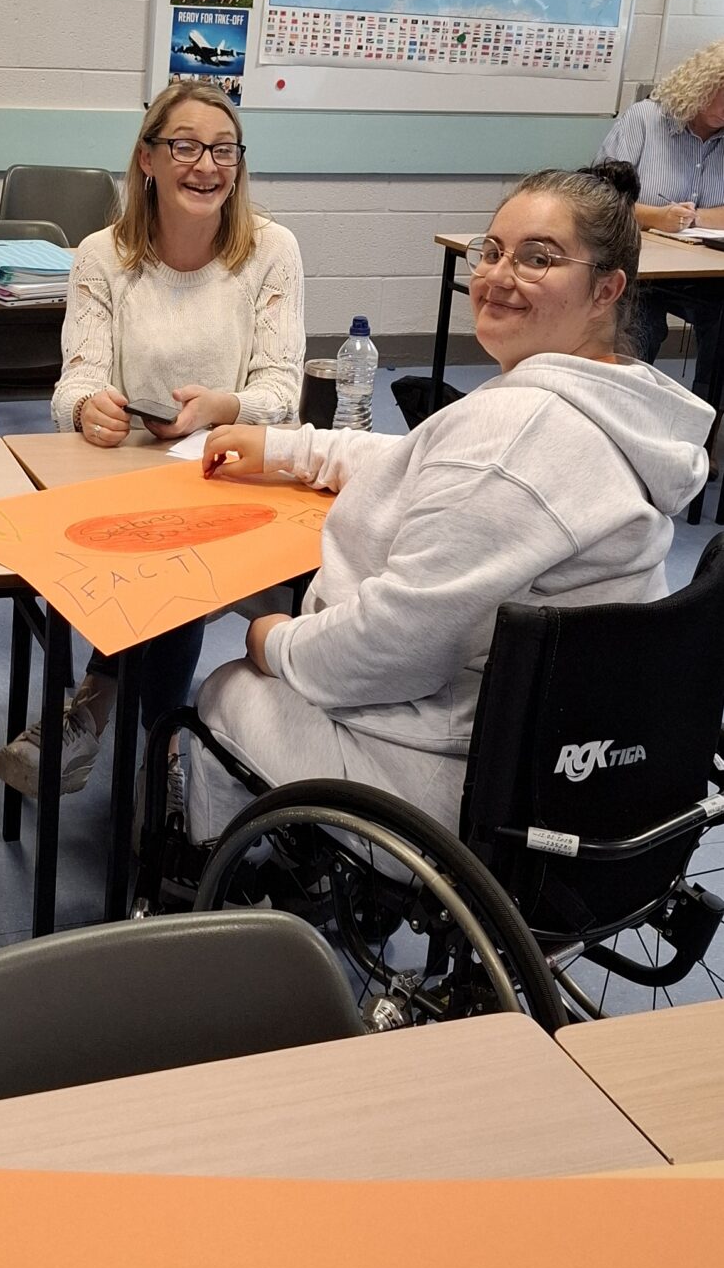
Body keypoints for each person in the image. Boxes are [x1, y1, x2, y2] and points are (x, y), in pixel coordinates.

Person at [188, 160, 711, 849]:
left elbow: (387, 651)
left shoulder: (515, 438)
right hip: (574, 761)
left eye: (538, 258)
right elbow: (429, 463)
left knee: (226, 691)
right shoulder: (610, 402)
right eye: (491, 251)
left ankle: (229, 893)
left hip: (454, 783)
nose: (498, 276)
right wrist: (294, 448)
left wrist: (273, 643)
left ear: (606, 290)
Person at [0, 80, 304, 804]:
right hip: (129, 477)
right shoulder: (101, 256)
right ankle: (160, 753)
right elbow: (74, 383)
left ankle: (100, 711)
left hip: (233, 475)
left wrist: (225, 406)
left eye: (223, 150)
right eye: (185, 147)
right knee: (167, 557)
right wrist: (87, 410)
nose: (207, 166)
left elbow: (282, 389)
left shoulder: (272, 250)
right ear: (147, 160)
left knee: (178, 563)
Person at [597, 45, 724, 397]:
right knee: (642, 324)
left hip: (705, 271)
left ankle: (707, 411)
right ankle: (627, 402)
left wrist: (692, 218)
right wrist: (657, 217)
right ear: (704, 86)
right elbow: (600, 196)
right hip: (641, 267)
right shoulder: (645, 120)